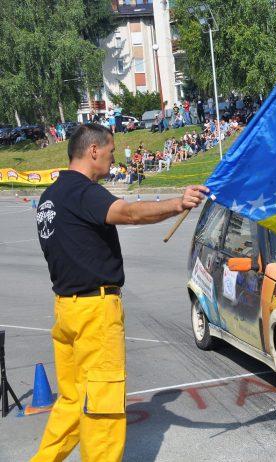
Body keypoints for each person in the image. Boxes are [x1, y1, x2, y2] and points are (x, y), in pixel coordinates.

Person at [32, 124, 208, 462]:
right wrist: (177, 203)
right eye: (111, 152)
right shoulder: (84, 192)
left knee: (71, 403)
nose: (113, 159)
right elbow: (126, 213)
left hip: (65, 310)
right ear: (93, 150)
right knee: (103, 407)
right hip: (95, 312)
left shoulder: (49, 197)